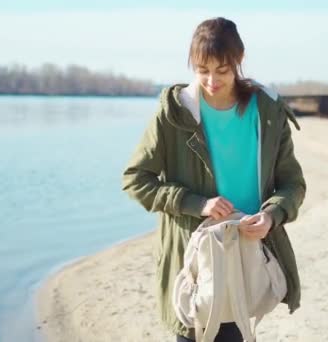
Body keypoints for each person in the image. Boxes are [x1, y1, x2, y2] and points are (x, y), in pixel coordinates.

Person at [122, 17, 306, 341]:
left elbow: (293, 184)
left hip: (248, 251)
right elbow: (136, 179)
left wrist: (272, 215)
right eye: (201, 69)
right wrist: (198, 204)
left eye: (222, 70)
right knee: (191, 334)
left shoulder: (267, 112)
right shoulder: (174, 114)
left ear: (239, 60)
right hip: (193, 257)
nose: (211, 80)